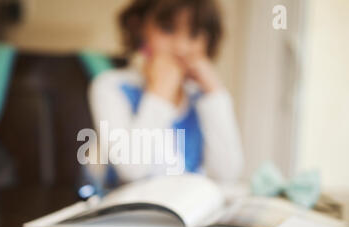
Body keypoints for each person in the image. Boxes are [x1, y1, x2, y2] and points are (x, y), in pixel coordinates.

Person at [87, 0, 244, 189]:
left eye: (193, 34)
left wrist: (216, 95)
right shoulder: (111, 87)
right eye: (168, 29)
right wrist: (159, 93)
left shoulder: (200, 98)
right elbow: (131, 169)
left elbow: (227, 174)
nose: (181, 47)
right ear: (140, 27)